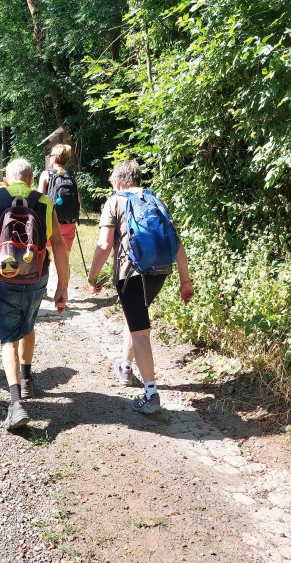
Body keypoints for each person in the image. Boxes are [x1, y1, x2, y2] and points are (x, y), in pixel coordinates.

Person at [0, 158, 70, 431]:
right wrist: (62, 287)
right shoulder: (44, 202)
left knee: (8, 338)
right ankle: (27, 379)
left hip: (4, 277)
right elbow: (58, 245)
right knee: (28, 325)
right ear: (31, 178)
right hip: (37, 276)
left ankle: (16, 404)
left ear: (5, 177)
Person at [86, 160, 194, 413]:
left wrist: (92, 277)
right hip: (159, 271)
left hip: (131, 273)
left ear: (119, 181)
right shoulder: (155, 200)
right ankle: (125, 367)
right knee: (135, 320)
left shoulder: (115, 201)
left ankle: (151, 394)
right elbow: (177, 243)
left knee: (141, 331)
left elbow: (103, 245)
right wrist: (185, 280)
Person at [38, 144, 80, 256]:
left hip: (51, 222)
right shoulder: (71, 176)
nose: (49, 157)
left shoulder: (46, 174)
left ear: (55, 158)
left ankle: (51, 271)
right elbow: (78, 201)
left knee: (47, 257)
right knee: (64, 257)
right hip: (69, 222)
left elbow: (39, 200)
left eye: (50, 155)